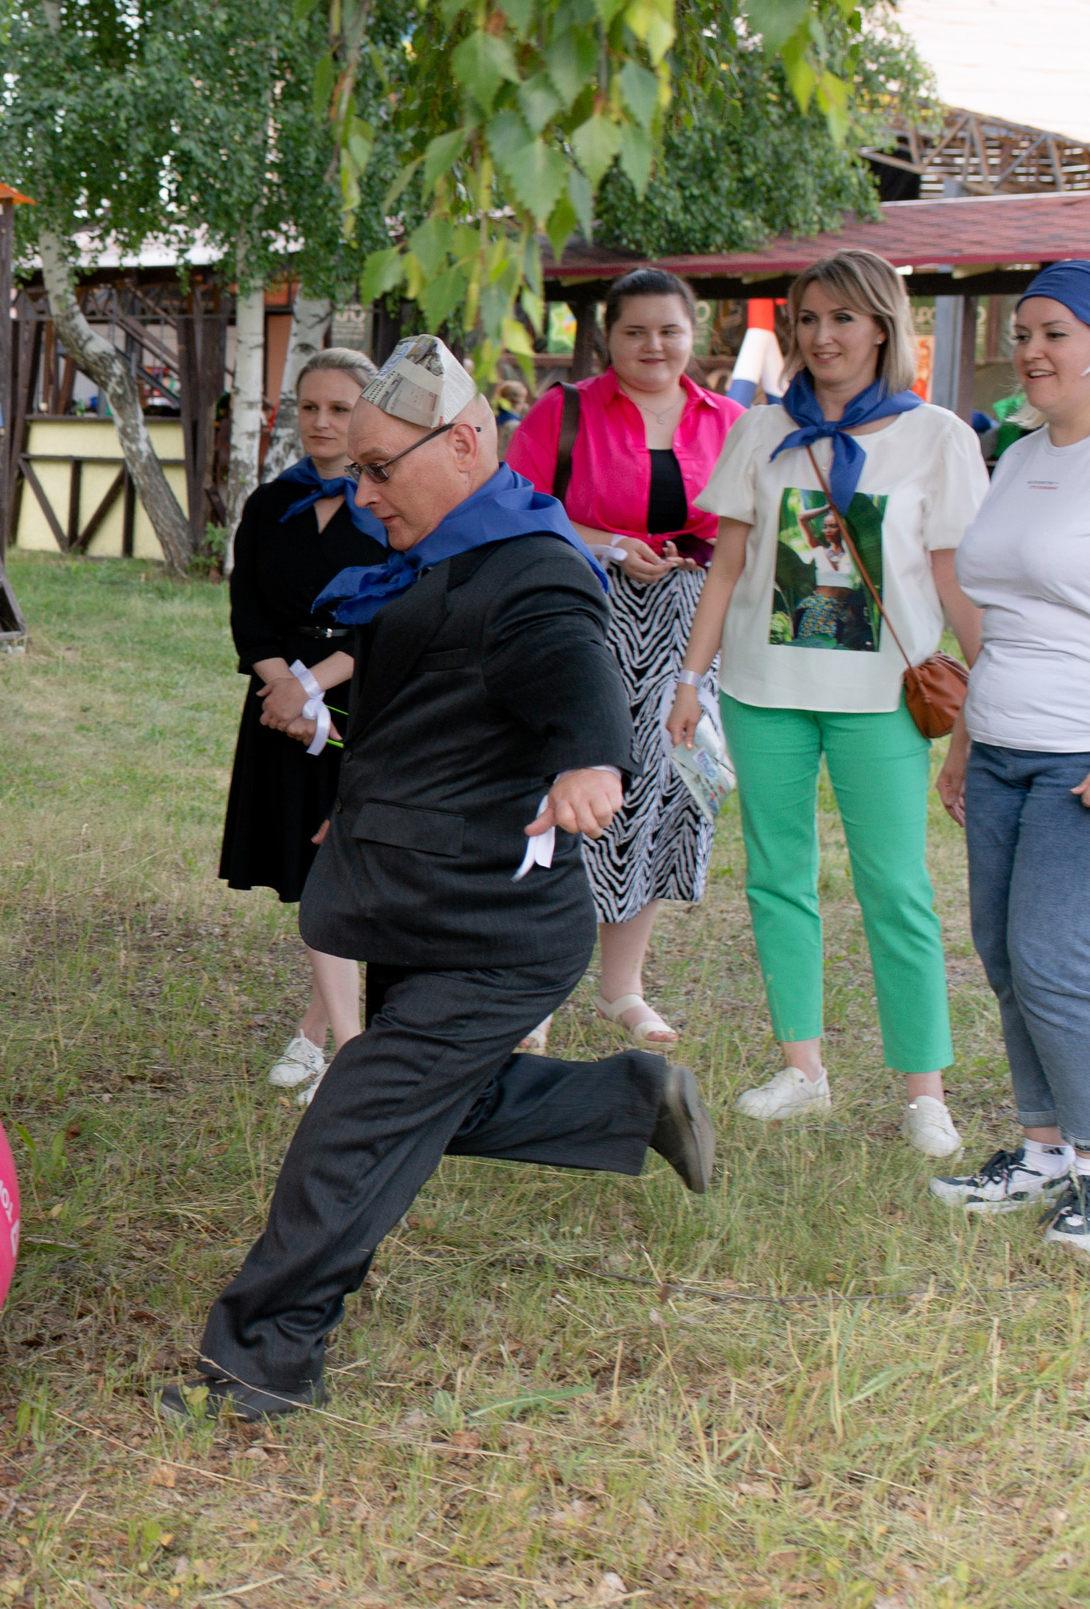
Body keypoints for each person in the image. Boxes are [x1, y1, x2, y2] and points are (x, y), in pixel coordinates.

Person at [164, 336, 712, 1425]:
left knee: (358, 1119)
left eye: (379, 469)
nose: (363, 496)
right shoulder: (438, 555)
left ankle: (263, 1358)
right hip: (421, 896)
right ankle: (626, 1100)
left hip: (496, 926)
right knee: (425, 1107)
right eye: (354, 472)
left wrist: (588, 759)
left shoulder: (530, 566)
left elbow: (573, 666)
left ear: (465, 444)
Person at [667, 249, 988, 1157]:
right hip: (766, 691)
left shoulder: (937, 437)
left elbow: (953, 576)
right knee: (777, 879)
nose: (822, 336)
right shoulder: (758, 430)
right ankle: (803, 1068)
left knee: (897, 888)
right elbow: (726, 566)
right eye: (808, 320)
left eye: (842, 319)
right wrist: (690, 680)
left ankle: (924, 1090)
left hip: (883, 696)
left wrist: (986, 682)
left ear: (882, 326)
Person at [508, 268, 748, 1049]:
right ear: (608, 336)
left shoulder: (732, 420)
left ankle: (623, 986)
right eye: (636, 330)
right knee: (569, 786)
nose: (654, 345)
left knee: (660, 794)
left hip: (690, 630)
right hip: (584, 614)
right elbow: (513, 507)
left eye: (669, 330)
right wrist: (610, 546)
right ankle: (536, 985)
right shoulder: (563, 412)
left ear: (695, 334)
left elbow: (748, 530)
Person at [929, 260, 1090, 1249]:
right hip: (1000, 748)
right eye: (1023, 332)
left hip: (1075, 752)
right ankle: (1040, 1152)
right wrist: (963, 739)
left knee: (1052, 959)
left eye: (1053, 334)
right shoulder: (1022, 456)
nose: (1028, 351)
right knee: (1000, 954)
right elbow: (995, 611)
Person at [221, 348, 391, 1102]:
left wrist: (311, 689)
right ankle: (323, 1036)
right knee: (316, 879)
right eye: (309, 407)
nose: (322, 422)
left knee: (351, 876)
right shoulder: (268, 504)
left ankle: (341, 1047)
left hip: (368, 703)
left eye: (341, 408)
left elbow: (394, 616)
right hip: (279, 712)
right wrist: (282, 689)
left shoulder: (396, 504)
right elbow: (249, 614)